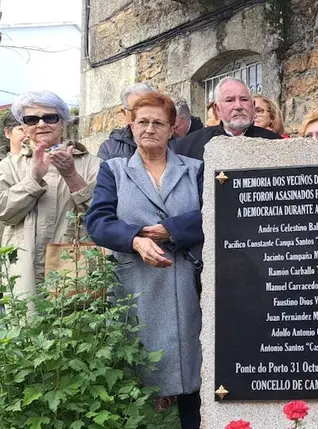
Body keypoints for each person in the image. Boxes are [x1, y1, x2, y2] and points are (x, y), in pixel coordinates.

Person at [85, 92, 203, 429]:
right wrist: (135, 239)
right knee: (138, 371)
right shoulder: (114, 171)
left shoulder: (195, 169)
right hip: (135, 285)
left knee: (192, 368)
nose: (150, 129)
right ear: (131, 126)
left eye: (158, 123)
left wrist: (172, 229)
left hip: (185, 281)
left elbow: (212, 214)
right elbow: (98, 222)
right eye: (143, 122)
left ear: (172, 129)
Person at [0, 90, 101, 298]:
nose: (41, 124)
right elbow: (4, 213)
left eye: (50, 117)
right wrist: (33, 179)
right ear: (24, 126)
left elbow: (102, 215)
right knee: (26, 327)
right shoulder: (8, 166)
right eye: (31, 119)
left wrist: (72, 176)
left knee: (75, 326)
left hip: (76, 267)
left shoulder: (92, 163)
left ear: (62, 121)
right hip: (22, 270)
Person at [171, 77, 281, 161]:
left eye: (244, 99)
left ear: (252, 105)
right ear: (217, 109)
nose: (238, 106)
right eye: (230, 100)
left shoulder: (275, 143)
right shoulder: (188, 147)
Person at [97, 83, 155, 160]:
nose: (142, 115)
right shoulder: (109, 149)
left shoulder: (171, 142)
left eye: (147, 108)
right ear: (124, 113)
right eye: (135, 110)